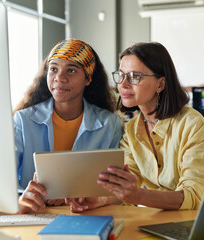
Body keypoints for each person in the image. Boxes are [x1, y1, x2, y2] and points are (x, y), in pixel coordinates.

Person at [66, 42, 204, 212]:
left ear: (160, 84)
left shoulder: (191, 124)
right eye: (121, 75)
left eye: (135, 76)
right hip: (160, 221)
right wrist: (99, 199)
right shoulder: (131, 129)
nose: (123, 84)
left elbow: (195, 197)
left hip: (198, 223)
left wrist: (138, 196)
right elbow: (128, 181)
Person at [14, 39, 123, 213]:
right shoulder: (22, 120)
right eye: (53, 69)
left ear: (88, 78)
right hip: (35, 214)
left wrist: (76, 193)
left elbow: (117, 189)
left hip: (88, 214)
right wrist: (21, 198)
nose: (60, 78)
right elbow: (2, 182)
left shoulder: (110, 124)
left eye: (71, 70)